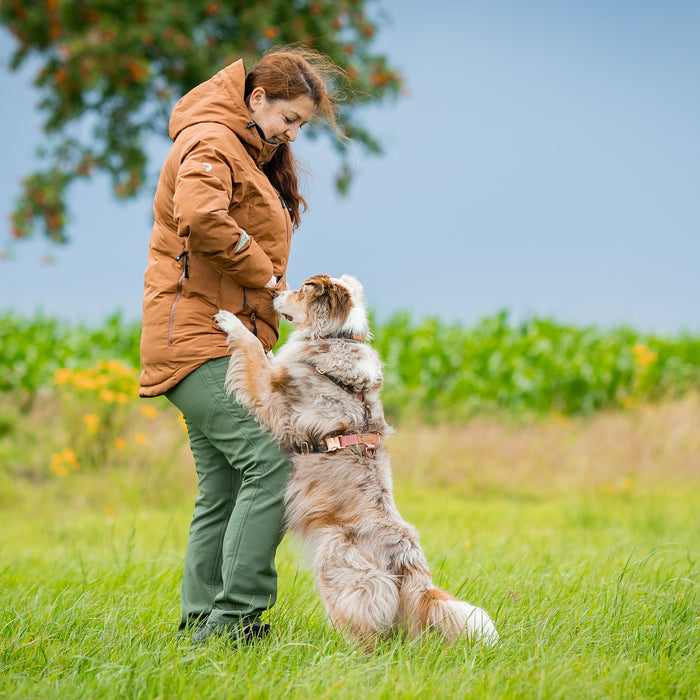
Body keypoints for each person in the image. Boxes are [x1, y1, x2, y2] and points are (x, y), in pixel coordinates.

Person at [138, 46, 344, 644]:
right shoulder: (210, 141)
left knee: (225, 487)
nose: (292, 133)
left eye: (301, 125)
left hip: (223, 335)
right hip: (196, 337)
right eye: (289, 118)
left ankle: (202, 627)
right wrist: (269, 278)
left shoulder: (247, 151)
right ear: (257, 99)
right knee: (273, 462)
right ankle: (236, 621)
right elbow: (200, 220)